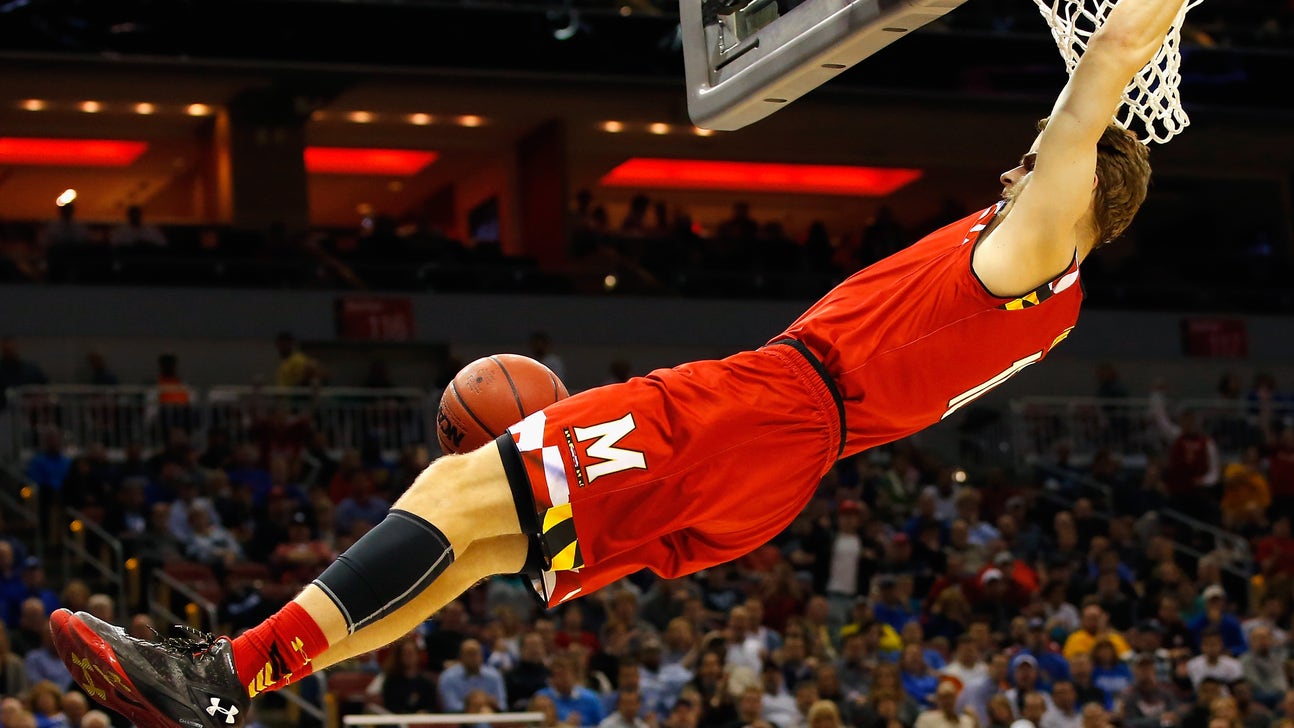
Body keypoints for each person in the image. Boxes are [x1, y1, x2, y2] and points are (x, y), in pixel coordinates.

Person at [52, 0, 1168, 724]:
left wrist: (1130, 43)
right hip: (783, 459)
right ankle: (236, 683)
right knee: (477, 547)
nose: (1013, 169)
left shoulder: (1035, 248)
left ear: (1072, 195)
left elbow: (1110, 60)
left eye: (1035, 163)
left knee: (453, 489)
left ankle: (218, 674)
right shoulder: (1046, 306)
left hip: (765, 407)